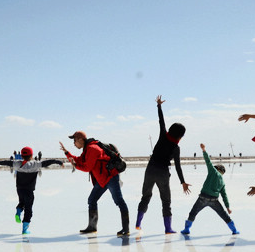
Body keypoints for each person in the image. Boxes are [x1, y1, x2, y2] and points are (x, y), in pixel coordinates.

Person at [135, 96, 191, 234]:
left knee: (145, 196)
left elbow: (161, 120)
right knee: (166, 201)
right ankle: (168, 228)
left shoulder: (163, 135)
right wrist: (183, 182)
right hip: (163, 173)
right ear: (181, 136)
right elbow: (178, 167)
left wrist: (159, 106)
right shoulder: (176, 148)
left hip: (150, 169)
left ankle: (138, 223)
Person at [59, 131, 130, 235]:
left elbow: (87, 167)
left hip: (110, 177)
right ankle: (92, 227)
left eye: (74, 141)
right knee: (92, 200)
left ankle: (126, 229)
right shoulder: (87, 148)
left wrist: (75, 165)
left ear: (80, 139)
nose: (74, 143)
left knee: (119, 201)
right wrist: (67, 153)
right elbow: (79, 160)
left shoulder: (92, 149)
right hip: (102, 180)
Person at [0, 146, 63, 234]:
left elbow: (8, 162)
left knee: (22, 202)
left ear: (22, 156)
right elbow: (46, 163)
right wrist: (58, 161)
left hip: (19, 189)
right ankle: (25, 229)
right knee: (28, 209)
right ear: (32, 155)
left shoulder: (18, 164)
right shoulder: (35, 164)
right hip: (29, 191)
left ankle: (18, 211)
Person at [181, 143, 237, 235]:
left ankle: (186, 229)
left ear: (217, 169)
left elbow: (208, 161)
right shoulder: (222, 182)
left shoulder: (213, 171)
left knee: (193, 213)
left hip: (202, 198)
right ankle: (234, 230)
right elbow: (224, 195)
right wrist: (228, 207)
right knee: (224, 215)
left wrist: (204, 150)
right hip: (214, 200)